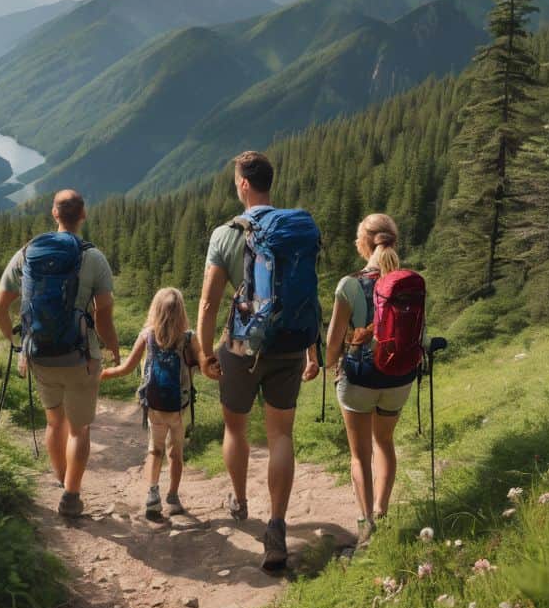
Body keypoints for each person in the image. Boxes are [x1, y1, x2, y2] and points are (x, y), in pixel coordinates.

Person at [198, 151, 320, 571]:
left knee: (236, 426)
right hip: (289, 344)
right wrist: (312, 348)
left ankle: (240, 499)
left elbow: (210, 301)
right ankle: (278, 525)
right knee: (280, 435)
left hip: (240, 347)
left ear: (244, 184)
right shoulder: (297, 228)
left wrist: (201, 350)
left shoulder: (226, 234)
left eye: (236, 181)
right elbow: (306, 292)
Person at [0, 189, 119, 519]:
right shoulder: (94, 258)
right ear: (84, 215)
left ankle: (63, 481)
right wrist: (113, 347)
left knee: (54, 421)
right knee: (78, 429)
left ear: (54, 214)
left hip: (39, 355)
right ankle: (72, 495)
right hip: (80, 357)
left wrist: (18, 345)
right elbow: (103, 313)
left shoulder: (26, 253)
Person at [323, 214, 415, 546]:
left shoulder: (349, 284)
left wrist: (328, 364)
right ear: (394, 241)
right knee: (385, 443)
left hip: (359, 378)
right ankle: (383, 511)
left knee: (360, 454)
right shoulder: (411, 282)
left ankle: (366, 525)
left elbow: (334, 342)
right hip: (399, 379)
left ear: (365, 243)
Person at [102, 287, 203, 520]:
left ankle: (152, 495)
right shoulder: (189, 338)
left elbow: (126, 368)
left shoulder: (147, 335)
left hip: (154, 406)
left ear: (155, 310)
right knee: (175, 452)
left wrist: (104, 373)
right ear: (181, 313)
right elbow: (204, 365)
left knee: (154, 450)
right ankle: (174, 497)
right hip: (179, 407)